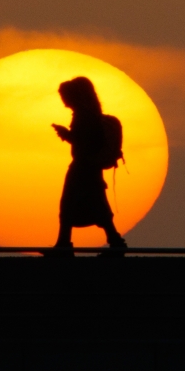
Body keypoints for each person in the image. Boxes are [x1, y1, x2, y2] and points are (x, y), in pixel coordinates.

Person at [50, 76, 127, 253]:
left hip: (82, 168)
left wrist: (65, 134)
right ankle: (114, 241)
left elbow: (86, 141)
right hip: (89, 168)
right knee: (96, 205)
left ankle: (64, 245)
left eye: (65, 95)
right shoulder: (88, 114)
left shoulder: (84, 115)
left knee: (70, 205)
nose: (63, 100)